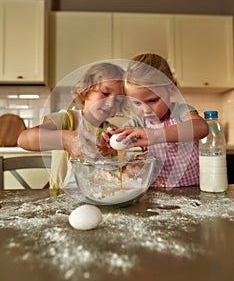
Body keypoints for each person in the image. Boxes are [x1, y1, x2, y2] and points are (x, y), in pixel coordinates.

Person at [105, 53, 209, 189]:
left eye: (152, 100)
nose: (146, 110)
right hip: (156, 192)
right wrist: (111, 139)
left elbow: (201, 127)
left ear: (172, 88)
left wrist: (156, 135)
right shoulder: (138, 123)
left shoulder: (180, 112)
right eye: (137, 103)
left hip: (191, 191)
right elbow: (120, 139)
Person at [17, 62, 125, 190]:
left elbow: (114, 176)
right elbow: (24, 139)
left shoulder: (111, 132)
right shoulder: (67, 120)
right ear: (86, 92)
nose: (110, 103)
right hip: (63, 203)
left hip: (101, 200)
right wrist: (66, 139)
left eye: (118, 99)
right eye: (105, 93)